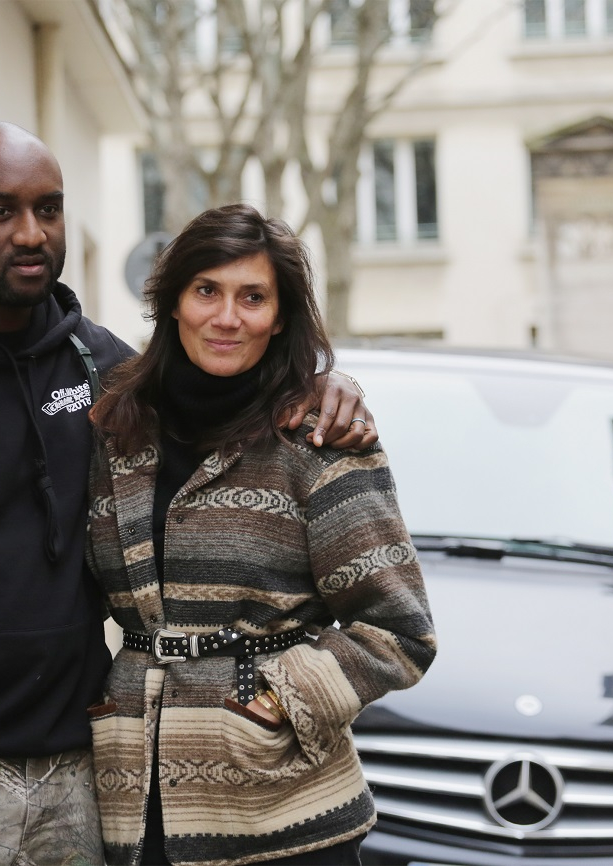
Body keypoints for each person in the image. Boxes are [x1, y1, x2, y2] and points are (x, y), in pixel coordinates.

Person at [0, 123, 376, 866]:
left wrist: (320, 384)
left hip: (90, 772)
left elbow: (223, 390)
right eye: (0, 211)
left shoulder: (103, 369)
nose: (30, 234)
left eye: (49, 209)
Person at [85, 204, 437, 866]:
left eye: (252, 297)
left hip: (285, 813)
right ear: (172, 302)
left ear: (278, 317)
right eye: (206, 291)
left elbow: (398, 629)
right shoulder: (117, 429)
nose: (226, 317)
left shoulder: (317, 438)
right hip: (133, 808)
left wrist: (274, 702)